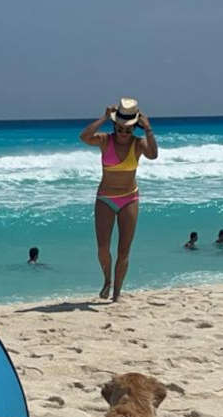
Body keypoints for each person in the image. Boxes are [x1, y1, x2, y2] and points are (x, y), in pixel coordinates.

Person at [79, 97, 158, 301]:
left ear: (134, 129)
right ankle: (107, 279)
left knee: (124, 250)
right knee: (103, 248)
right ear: (115, 125)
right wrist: (103, 117)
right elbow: (84, 137)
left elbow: (153, 155)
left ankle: (117, 293)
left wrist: (148, 129)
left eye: (128, 130)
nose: (123, 133)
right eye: (120, 129)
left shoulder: (138, 144)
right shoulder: (105, 140)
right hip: (105, 198)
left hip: (129, 199)